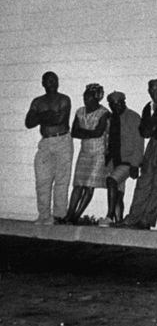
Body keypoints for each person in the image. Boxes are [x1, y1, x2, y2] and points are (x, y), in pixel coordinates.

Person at [120, 79, 157, 230]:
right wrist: (150, 128)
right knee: (143, 181)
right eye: (151, 89)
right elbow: (143, 130)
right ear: (148, 91)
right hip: (153, 143)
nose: (154, 92)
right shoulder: (148, 107)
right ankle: (133, 217)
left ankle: (146, 219)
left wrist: (150, 127)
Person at [24, 71, 73, 224]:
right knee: (42, 180)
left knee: (61, 180)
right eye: (48, 80)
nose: (51, 83)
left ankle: (58, 216)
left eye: (54, 80)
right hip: (45, 143)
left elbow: (59, 119)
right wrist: (47, 115)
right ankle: (43, 215)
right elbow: (28, 122)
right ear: (43, 83)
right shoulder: (37, 101)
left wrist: (40, 116)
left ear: (58, 82)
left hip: (62, 140)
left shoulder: (64, 99)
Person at [66, 83, 110, 225]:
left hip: (98, 152)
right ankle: (69, 214)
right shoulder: (80, 111)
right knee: (78, 184)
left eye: (89, 97)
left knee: (89, 186)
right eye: (85, 96)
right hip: (84, 151)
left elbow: (99, 132)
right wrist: (90, 133)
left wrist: (84, 132)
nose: (86, 99)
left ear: (97, 98)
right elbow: (74, 132)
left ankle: (76, 215)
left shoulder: (104, 112)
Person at [99, 91, 144, 226]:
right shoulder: (111, 118)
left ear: (124, 102)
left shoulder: (133, 117)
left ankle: (109, 216)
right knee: (118, 194)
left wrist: (135, 164)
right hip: (114, 161)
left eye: (118, 103)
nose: (116, 106)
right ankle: (119, 221)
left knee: (111, 181)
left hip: (128, 161)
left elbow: (139, 142)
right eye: (112, 104)